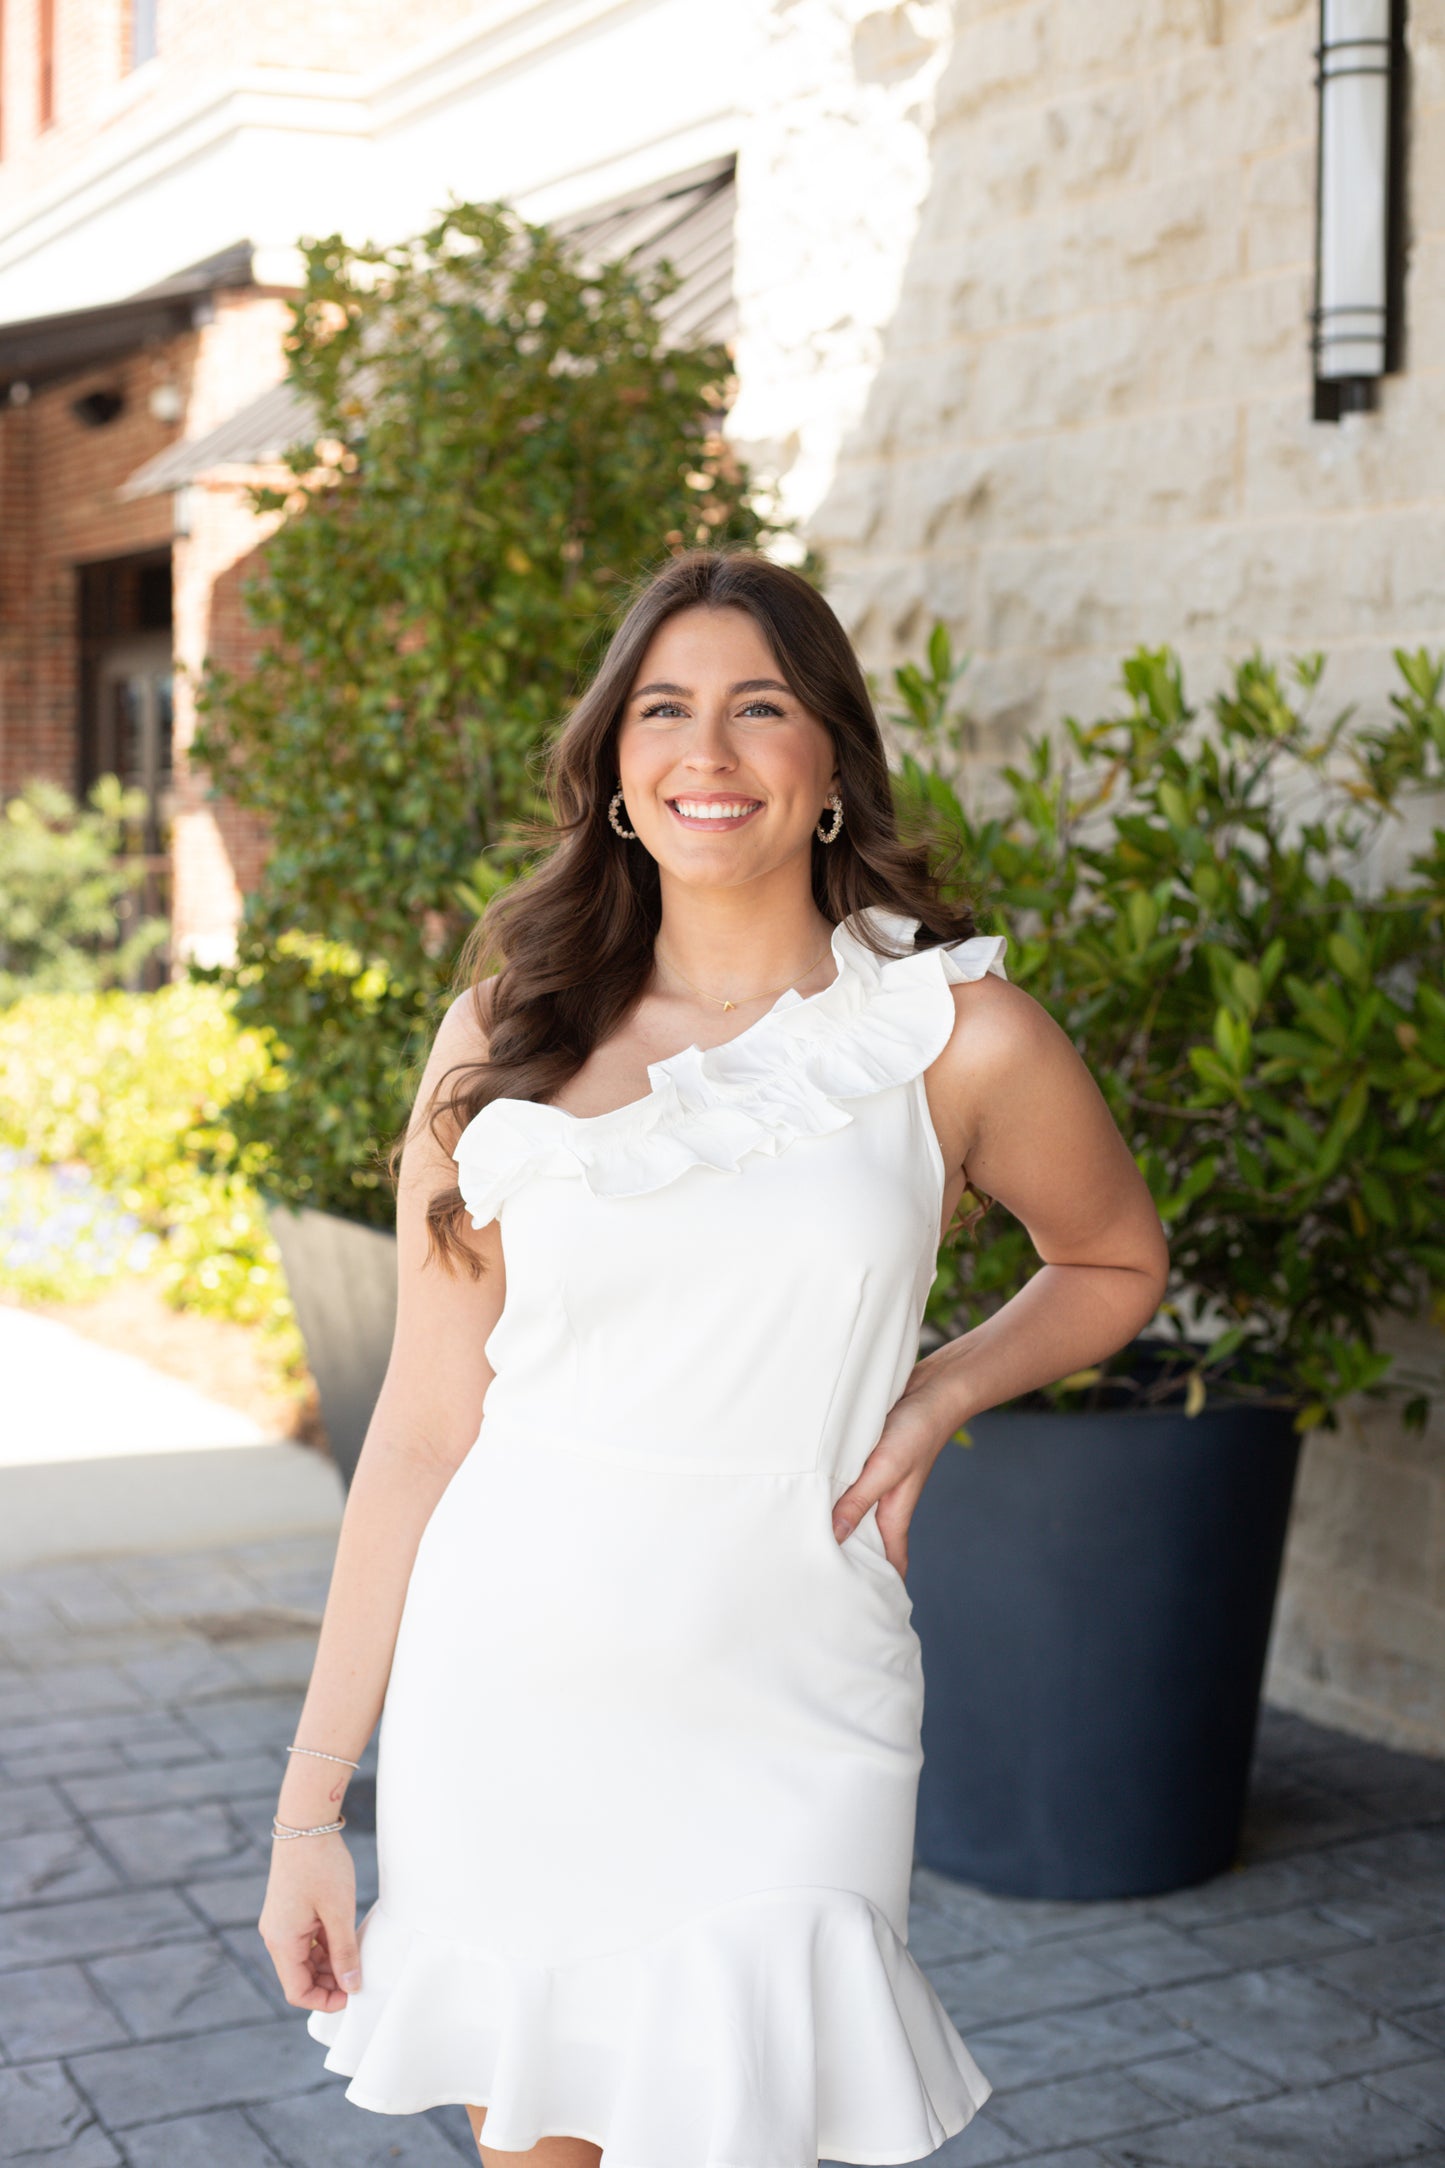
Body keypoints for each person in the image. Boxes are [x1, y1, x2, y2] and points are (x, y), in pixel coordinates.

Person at [259, 547, 1170, 2167]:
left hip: (793, 1681)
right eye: (664, 710)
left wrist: (942, 1385)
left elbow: (1109, 1261)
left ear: (828, 762)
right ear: (615, 767)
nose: (708, 751)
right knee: (536, 2136)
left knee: (749, 2120)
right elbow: (415, 1429)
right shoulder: (501, 1035)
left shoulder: (956, 1037)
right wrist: (313, 1806)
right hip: (513, 1681)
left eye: (760, 707)